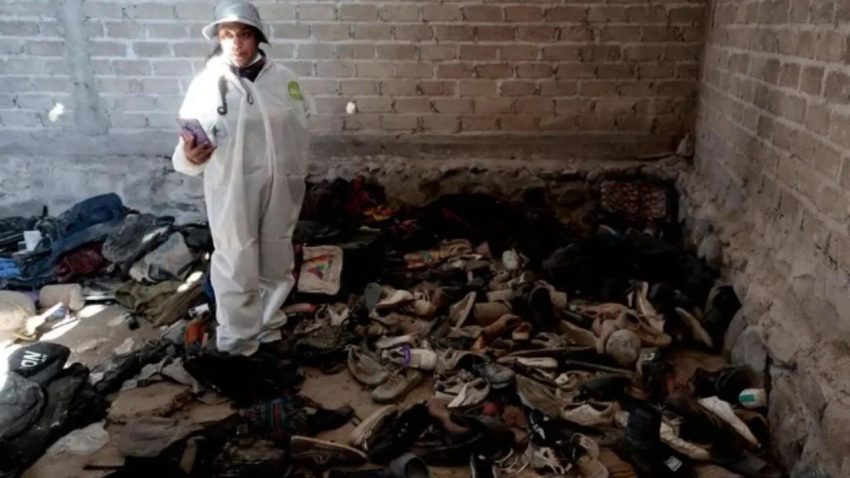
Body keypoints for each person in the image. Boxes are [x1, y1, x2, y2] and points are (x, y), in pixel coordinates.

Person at [172, 0, 311, 356]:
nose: (236, 43)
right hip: (232, 190)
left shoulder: (285, 80)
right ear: (219, 38)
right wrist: (188, 157)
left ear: (258, 37)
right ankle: (237, 345)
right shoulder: (207, 85)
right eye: (227, 34)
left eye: (244, 34)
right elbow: (188, 144)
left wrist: (296, 175)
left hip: (281, 187)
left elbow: (300, 129)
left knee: (277, 261)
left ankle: (269, 331)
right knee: (236, 263)